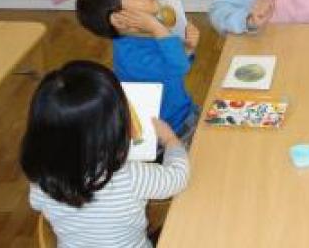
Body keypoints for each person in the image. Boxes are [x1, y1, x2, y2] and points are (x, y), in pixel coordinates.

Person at [20, 61, 190, 248]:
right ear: (112, 130)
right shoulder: (130, 176)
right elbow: (178, 178)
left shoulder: (41, 180)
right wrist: (171, 141)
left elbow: (37, 204)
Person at [76, 0, 200, 144]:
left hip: (185, 113)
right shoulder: (131, 57)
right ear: (119, 20)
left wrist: (187, 50)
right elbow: (178, 67)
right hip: (168, 134)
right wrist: (158, 29)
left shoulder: (145, 33)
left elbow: (173, 68)